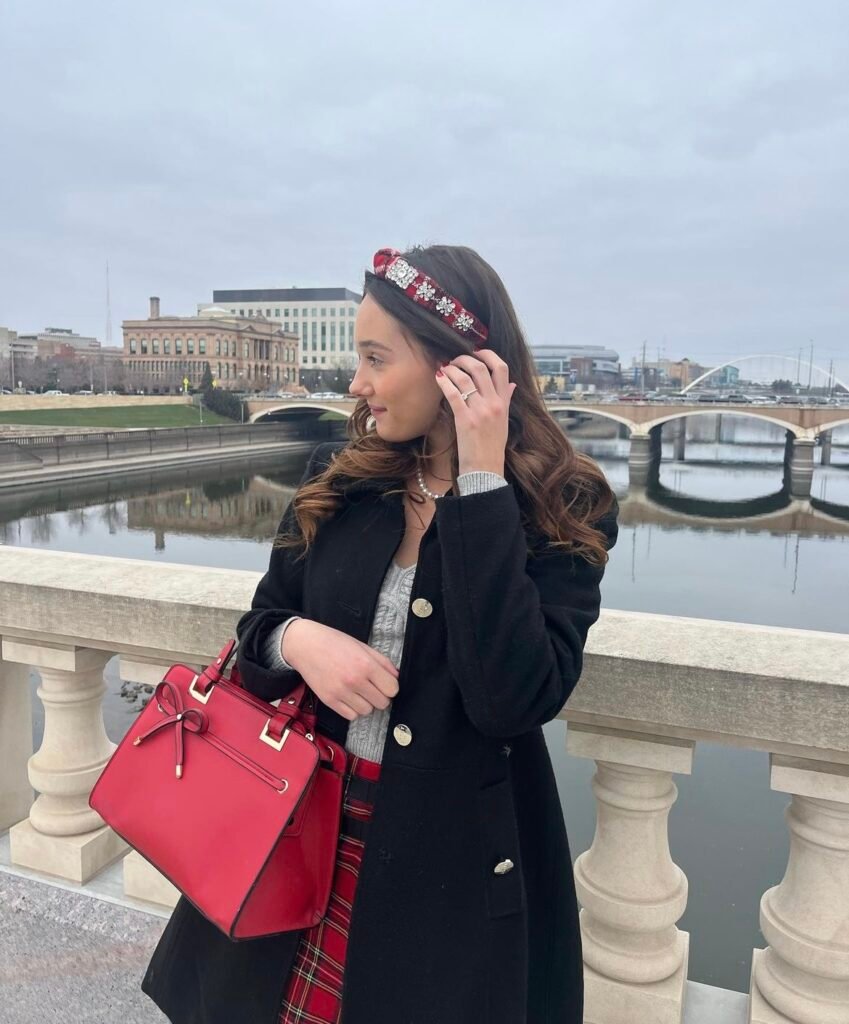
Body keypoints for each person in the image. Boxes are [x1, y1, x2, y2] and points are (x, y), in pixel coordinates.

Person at [141, 243, 619, 1024]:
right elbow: (258, 625)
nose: (354, 383)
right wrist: (299, 640)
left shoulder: (562, 505)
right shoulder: (341, 474)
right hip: (294, 831)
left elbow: (515, 697)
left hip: (446, 873)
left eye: (373, 357)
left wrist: (481, 482)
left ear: (457, 367)